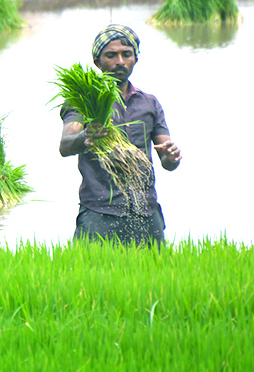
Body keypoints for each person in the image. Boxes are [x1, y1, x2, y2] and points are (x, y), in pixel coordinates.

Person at [58, 24, 182, 245]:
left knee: (155, 274)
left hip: (145, 209)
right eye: (111, 55)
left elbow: (167, 159)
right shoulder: (85, 101)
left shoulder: (149, 103)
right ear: (97, 62)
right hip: (99, 211)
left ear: (135, 58)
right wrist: (86, 136)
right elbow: (66, 146)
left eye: (126, 54)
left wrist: (171, 155)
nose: (120, 62)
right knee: (92, 276)